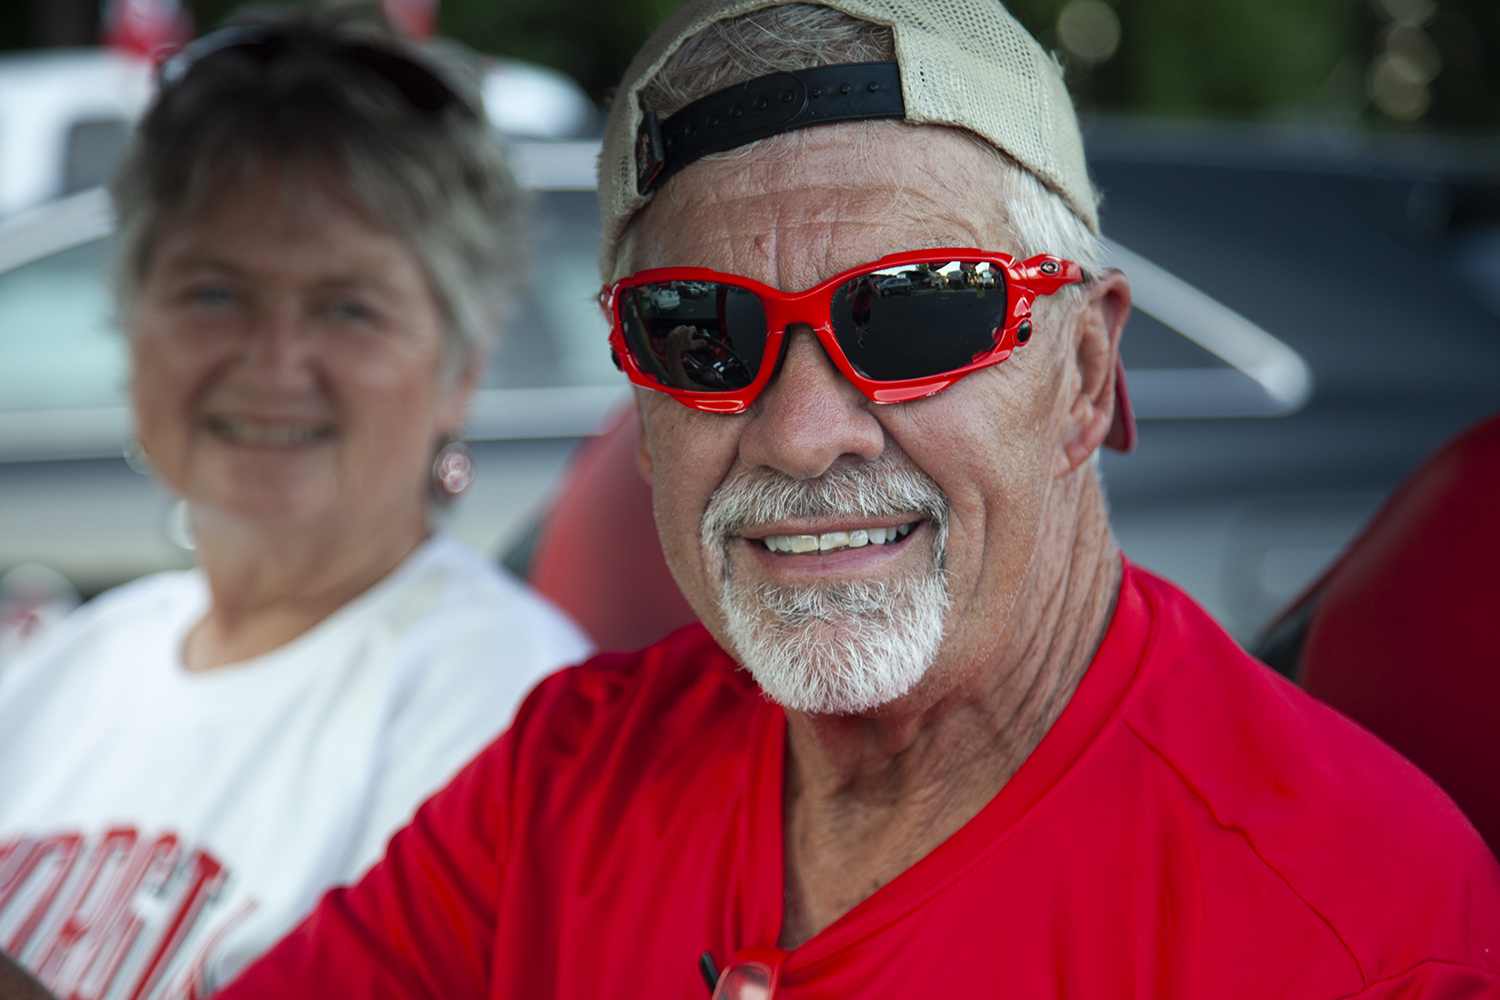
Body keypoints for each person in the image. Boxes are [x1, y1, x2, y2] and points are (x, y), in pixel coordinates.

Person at [8, 0, 1500, 997]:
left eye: (917, 313)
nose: (798, 432)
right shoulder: (569, 777)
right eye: (696, 332)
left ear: (1090, 369)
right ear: (639, 403)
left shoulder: (1343, 916)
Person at [0, 8, 589, 1000]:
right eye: (214, 294)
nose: (274, 363)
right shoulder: (66, 671)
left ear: (461, 366)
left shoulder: (510, 713)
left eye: (347, 306)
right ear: (134, 328)